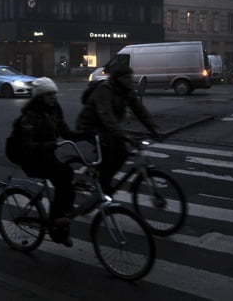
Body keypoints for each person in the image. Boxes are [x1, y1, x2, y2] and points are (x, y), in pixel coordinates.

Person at [13, 77, 89, 247]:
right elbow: (26, 145)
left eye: (54, 94)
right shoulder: (30, 115)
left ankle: (61, 222)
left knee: (66, 178)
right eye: (49, 95)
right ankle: (57, 223)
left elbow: (67, 133)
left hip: (47, 156)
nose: (53, 97)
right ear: (40, 97)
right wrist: (45, 144)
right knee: (64, 174)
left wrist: (88, 134)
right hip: (31, 159)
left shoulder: (55, 110)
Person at [76, 65, 160, 196]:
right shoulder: (105, 89)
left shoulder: (127, 91)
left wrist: (154, 128)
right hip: (90, 125)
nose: (130, 81)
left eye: (130, 78)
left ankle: (103, 176)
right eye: (126, 78)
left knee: (122, 153)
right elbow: (106, 115)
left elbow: (139, 110)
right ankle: (102, 181)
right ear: (118, 79)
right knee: (107, 148)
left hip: (107, 126)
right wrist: (123, 134)